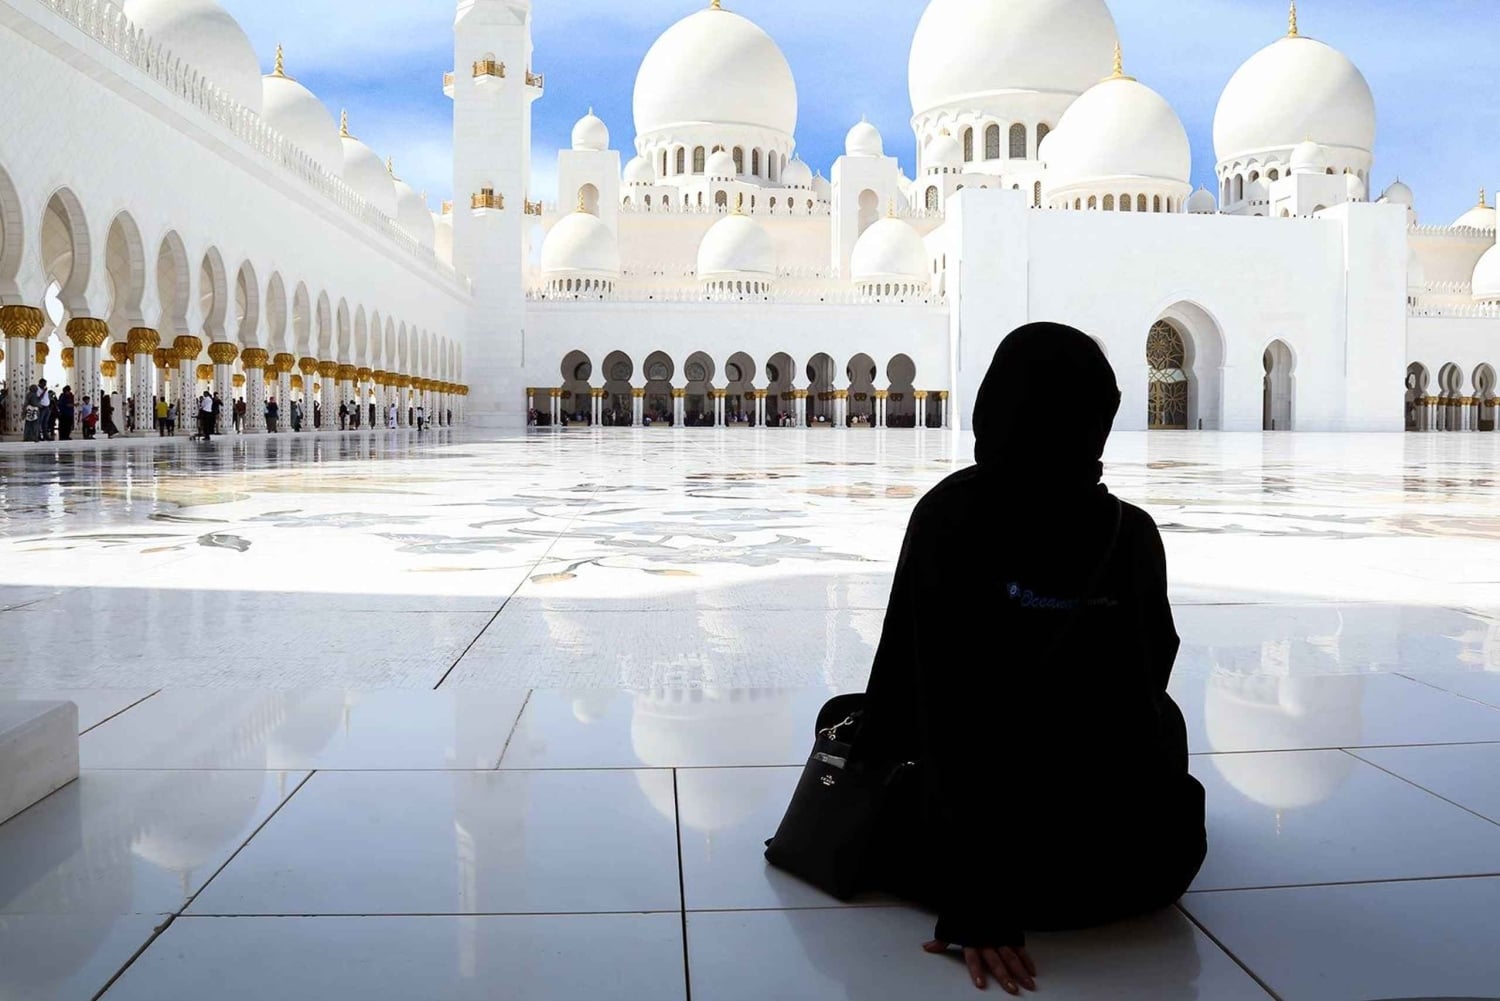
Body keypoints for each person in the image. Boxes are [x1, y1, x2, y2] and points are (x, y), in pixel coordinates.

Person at [854, 323, 1206, 995]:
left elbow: (922, 699)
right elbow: (1145, 679)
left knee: (871, 725)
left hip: (990, 879)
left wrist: (979, 906)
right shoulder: (1132, 534)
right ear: (1097, 418)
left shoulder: (948, 517)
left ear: (995, 406)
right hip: (1136, 867)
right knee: (1163, 721)